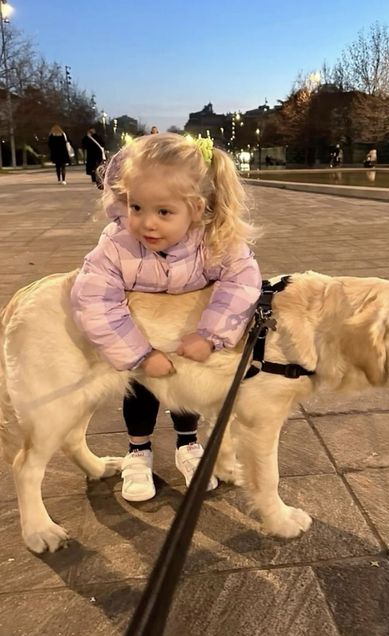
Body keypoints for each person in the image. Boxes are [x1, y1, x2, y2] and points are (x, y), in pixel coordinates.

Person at [70, 133, 262, 502]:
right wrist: (138, 355)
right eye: (136, 207)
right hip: (140, 339)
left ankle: (187, 445)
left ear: (198, 208)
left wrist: (212, 334)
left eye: (164, 212)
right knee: (141, 392)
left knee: (187, 391)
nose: (146, 224)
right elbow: (93, 299)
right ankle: (137, 450)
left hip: (189, 339)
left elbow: (243, 281)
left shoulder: (214, 240)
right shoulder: (116, 245)